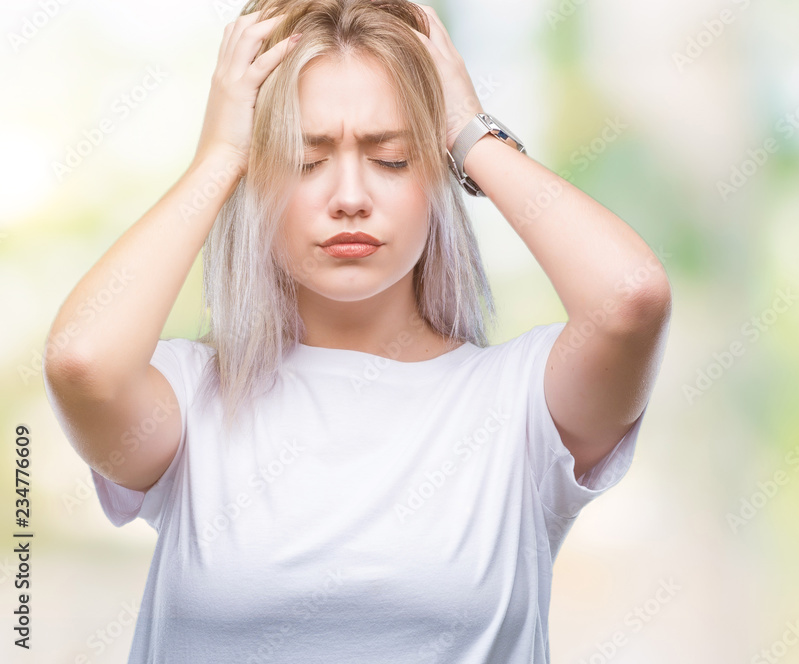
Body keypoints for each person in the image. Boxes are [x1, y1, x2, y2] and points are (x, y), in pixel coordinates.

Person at [42, 1, 671, 661]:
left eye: (392, 158)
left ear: (438, 176)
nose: (349, 195)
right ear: (255, 181)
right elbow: (83, 362)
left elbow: (630, 297)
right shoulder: (189, 397)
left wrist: (468, 131)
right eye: (305, 160)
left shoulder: (520, 405)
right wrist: (220, 155)